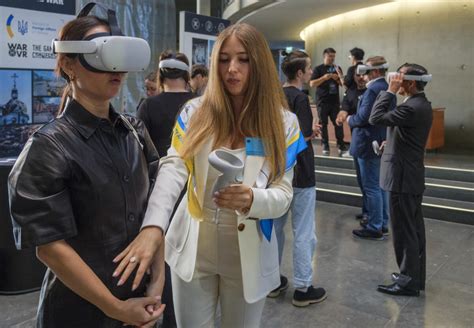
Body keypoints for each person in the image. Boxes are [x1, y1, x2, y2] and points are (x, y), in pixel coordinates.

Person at [112, 23, 307, 327]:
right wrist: (153, 226)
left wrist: (253, 199)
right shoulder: (194, 112)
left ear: (259, 63)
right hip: (192, 250)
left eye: (243, 59)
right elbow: (174, 167)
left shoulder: (285, 124)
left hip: (248, 256)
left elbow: (283, 194)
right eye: (224, 59)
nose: (232, 69)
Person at [8, 5, 165, 327]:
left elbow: (157, 207)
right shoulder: (48, 147)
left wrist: (158, 281)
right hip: (79, 310)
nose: (116, 68)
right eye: (102, 55)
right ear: (68, 64)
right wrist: (116, 309)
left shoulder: (134, 132)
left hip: (141, 297)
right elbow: (50, 247)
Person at [370, 63, 433, 296]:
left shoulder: (412, 107)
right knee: (414, 230)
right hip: (410, 175)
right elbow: (406, 133)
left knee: (404, 232)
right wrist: (392, 143)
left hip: (402, 178)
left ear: (412, 83)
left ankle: (407, 282)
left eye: (400, 78)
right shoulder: (420, 104)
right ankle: (415, 277)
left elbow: (375, 118)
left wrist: (389, 91)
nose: (396, 80)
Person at [269, 50, 327, 307]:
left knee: (275, 231)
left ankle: (271, 281)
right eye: (309, 68)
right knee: (303, 232)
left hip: (276, 171)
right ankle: (303, 287)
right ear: (300, 73)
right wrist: (310, 132)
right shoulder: (301, 99)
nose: (312, 71)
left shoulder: (273, 97)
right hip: (301, 172)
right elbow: (300, 137)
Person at [341, 56, 390, 240]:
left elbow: (363, 118)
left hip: (367, 143)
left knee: (371, 187)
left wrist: (349, 119)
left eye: (367, 71)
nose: (364, 76)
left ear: (376, 72)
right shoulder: (386, 88)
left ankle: (374, 226)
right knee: (379, 187)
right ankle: (382, 223)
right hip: (377, 141)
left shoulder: (373, 90)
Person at [138, 51, 195, 158]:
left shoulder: (148, 106)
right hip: (196, 172)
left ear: (160, 75)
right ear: (187, 75)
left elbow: (139, 148)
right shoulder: (202, 104)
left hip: (158, 172)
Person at [337, 64, 368, 222]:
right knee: (362, 180)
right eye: (358, 75)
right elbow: (345, 108)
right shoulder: (350, 91)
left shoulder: (371, 91)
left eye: (364, 74)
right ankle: (366, 211)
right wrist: (341, 116)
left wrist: (349, 118)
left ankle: (374, 217)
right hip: (357, 138)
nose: (361, 78)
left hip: (369, 140)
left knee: (371, 183)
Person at [310, 47, 348, 156]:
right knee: (323, 123)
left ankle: (341, 144)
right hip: (322, 101)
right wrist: (324, 78)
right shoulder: (318, 69)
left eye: (333, 56)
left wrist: (337, 78)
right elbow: (312, 84)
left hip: (334, 101)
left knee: (338, 123)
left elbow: (343, 84)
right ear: (324, 56)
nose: (332, 58)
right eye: (330, 56)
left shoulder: (337, 68)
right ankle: (325, 145)